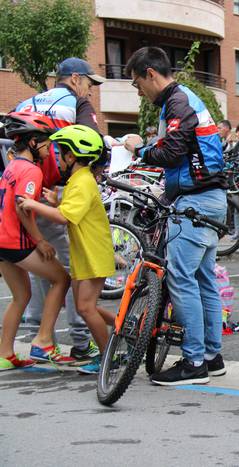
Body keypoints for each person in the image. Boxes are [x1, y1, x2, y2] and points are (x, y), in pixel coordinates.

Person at [123, 46, 229, 385]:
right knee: (204, 280)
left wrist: (138, 149)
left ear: (150, 74)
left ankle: (194, 363)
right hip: (210, 200)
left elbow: (170, 152)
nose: (139, 91)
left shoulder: (177, 102)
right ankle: (212, 357)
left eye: (137, 83)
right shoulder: (186, 99)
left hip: (195, 203)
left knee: (181, 279)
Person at [14, 57, 107, 363]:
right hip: (57, 191)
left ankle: (44, 338)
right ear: (76, 78)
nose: (90, 91)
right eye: (89, 83)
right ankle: (82, 341)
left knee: (46, 265)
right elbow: (94, 141)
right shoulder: (76, 104)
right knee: (68, 270)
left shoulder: (30, 100)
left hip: (29, 188)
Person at [18, 125, 116, 375]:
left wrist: (33, 204)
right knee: (87, 305)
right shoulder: (78, 180)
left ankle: (108, 357)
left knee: (85, 307)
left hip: (93, 254)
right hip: (84, 254)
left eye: (61, 154)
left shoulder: (83, 181)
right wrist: (57, 201)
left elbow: (63, 217)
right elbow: (73, 209)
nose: (57, 159)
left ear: (72, 156)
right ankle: (126, 327)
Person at [0, 112, 71, 370]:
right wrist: (40, 240)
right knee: (62, 279)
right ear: (32, 143)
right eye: (44, 143)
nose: (49, 149)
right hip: (16, 241)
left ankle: (5, 353)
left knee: (22, 295)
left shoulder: (11, 167)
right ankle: (43, 342)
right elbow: (23, 208)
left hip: (2, 240)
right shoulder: (31, 170)